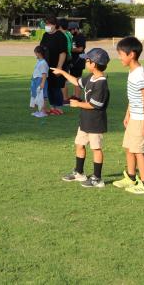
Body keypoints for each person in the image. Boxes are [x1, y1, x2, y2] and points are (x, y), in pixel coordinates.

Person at [53, 48, 111, 188]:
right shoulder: (90, 78)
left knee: (96, 148)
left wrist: (78, 103)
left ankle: (97, 178)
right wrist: (62, 72)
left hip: (95, 122)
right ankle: (79, 172)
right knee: (79, 145)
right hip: (85, 121)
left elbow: (95, 105)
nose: (85, 62)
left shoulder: (101, 83)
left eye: (87, 60)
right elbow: (77, 82)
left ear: (94, 64)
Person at [112, 36, 144, 195]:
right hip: (135, 116)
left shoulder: (140, 74)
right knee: (129, 148)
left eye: (121, 54)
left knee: (139, 151)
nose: (119, 58)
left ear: (131, 54)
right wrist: (127, 114)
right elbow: (134, 97)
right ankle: (131, 178)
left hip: (142, 118)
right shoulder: (133, 72)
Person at [39, 17, 68, 115]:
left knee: (56, 87)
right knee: (49, 87)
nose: (47, 26)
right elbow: (41, 49)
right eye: (46, 24)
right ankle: (52, 107)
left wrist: (59, 67)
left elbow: (63, 52)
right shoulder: (45, 35)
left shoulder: (60, 36)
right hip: (46, 66)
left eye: (49, 24)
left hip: (57, 66)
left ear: (55, 25)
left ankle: (59, 107)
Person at [68, 22, 87, 99]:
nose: (70, 31)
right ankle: (75, 95)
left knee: (77, 79)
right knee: (74, 79)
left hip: (78, 61)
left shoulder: (80, 37)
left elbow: (80, 49)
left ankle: (77, 97)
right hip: (74, 61)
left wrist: (69, 50)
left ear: (76, 29)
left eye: (71, 30)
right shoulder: (73, 37)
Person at [30, 46, 50, 118]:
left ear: (39, 53)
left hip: (40, 80)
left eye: (35, 53)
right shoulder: (39, 61)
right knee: (37, 96)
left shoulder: (43, 63)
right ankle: (39, 111)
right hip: (36, 80)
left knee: (42, 96)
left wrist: (42, 83)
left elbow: (44, 74)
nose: (35, 55)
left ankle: (43, 111)